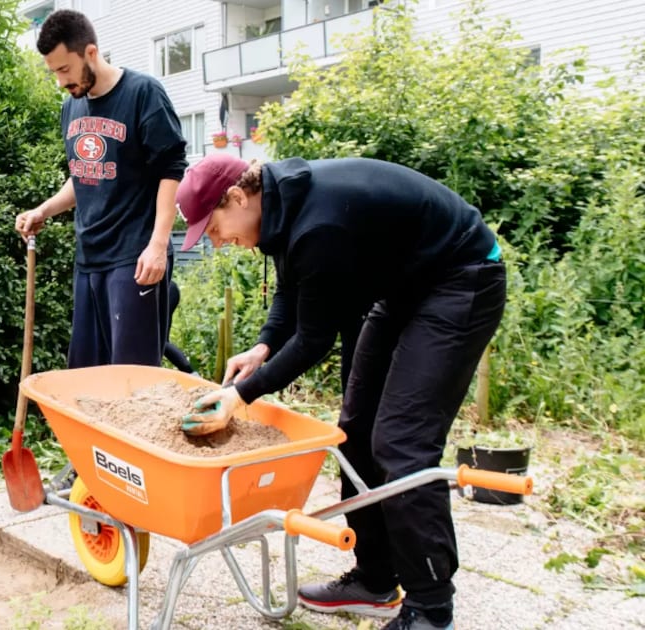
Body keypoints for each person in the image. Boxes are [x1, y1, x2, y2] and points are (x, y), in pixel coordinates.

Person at [175, 154, 505, 630]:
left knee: (402, 443)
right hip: (402, 289)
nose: (215, 240)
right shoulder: (284, 211)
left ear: (238, 198)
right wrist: (263, 347)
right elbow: (294, 288)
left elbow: (314, 339)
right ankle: (375, 580)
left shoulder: (317, 222)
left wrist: (240, 395)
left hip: (461, 279)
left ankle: (432, 610)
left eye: (213, 226)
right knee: (354, 433)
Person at [15, 9, 188, 369]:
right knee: (87, 374)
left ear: (90, 52)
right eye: (54, 73)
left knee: (131, 377)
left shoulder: (143, 94)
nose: (61, 81)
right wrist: (43, 211)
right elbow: (83, 177)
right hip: (90, 258)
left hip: (135, 259)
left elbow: (171, 171)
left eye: (65, 69)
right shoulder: (72, 106)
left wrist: (157, 246)